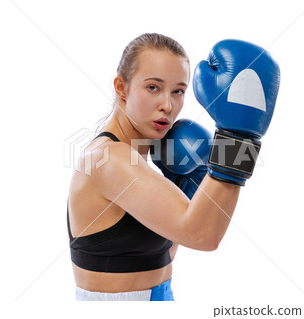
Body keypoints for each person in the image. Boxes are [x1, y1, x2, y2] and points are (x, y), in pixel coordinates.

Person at [67, 33, 280, 301]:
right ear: (121, 88)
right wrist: (238, 138)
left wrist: (186, 186)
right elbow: (204, 236)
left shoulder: (134, 160)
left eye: (178, 91)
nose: (167, 105)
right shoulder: (109, 160)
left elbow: (159, 260)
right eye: (153, 87)